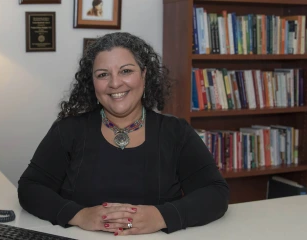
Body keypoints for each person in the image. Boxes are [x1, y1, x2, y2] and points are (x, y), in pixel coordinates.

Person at [18, 32, 230, 236]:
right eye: (103, 75)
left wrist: (160, 216)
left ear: (144, 74)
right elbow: (30, 188)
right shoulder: (68, 130)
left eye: (126, 71)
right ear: (92, 83)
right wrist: (79, 215)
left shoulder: (176, 132)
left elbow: (215, 193)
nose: (115, 83)